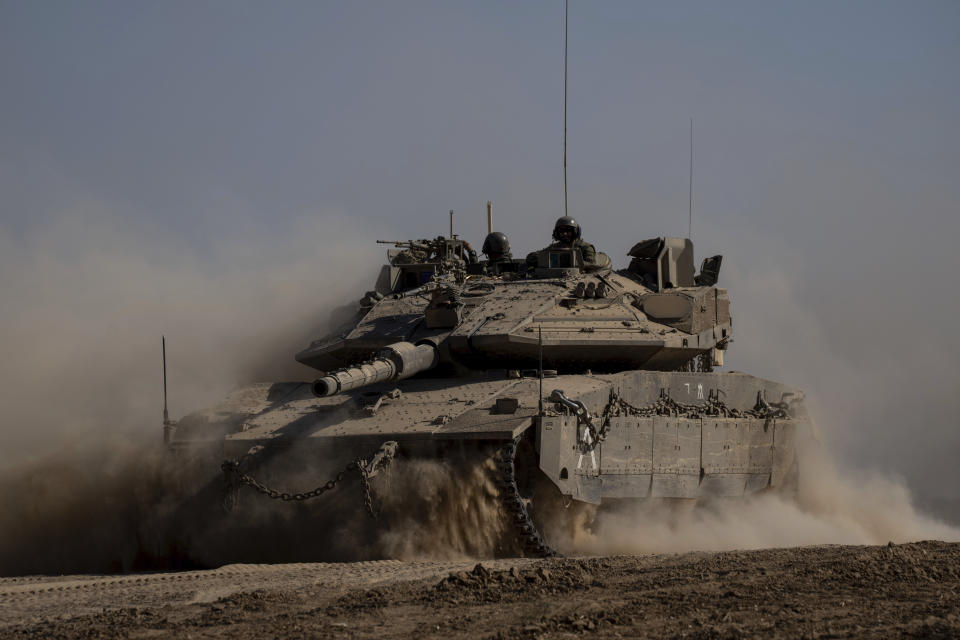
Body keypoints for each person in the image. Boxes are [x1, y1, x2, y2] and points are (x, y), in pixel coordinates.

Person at [527, 216, 598, 268]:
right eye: (561, 231)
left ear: (575, 232)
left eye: (568, 231)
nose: (565, 234)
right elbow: (532, 257)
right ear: (556, 233)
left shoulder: (585, 247)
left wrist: (571, 262)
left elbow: (592, 266)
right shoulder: (554, 248)